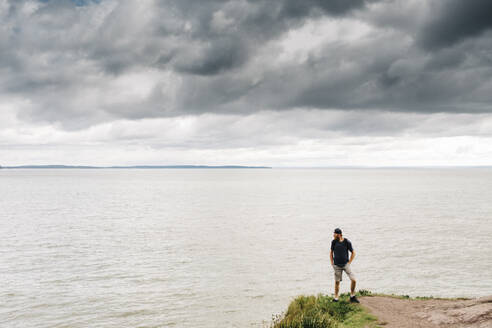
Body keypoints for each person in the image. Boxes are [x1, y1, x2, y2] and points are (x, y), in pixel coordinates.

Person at [330, 228, 359, 303]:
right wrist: (332, 263)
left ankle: (352, 296)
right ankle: (336, 298)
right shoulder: (333, 242)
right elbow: (331, 252)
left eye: (335, 233)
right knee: (337, 282)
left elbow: (353, 253)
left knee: (354, 280)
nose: (333, 235)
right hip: (337, 266)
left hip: (346, 264)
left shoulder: (346, 242)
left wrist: (349, 262)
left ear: (339, 234)